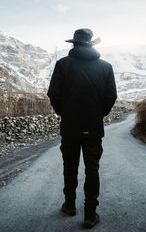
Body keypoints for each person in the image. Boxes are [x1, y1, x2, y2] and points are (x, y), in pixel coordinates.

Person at [47, 28, 117, 229]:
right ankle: (90, 214)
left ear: (74, 44)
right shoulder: (106, 67)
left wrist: (65, 113)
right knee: (92, 169)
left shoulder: (63, 65)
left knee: (70, 167)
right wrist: (98, 114)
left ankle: (69, 206)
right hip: (93, 127)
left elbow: (53, 94)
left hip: (69, 126)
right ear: (91, 44)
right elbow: (111, 96)